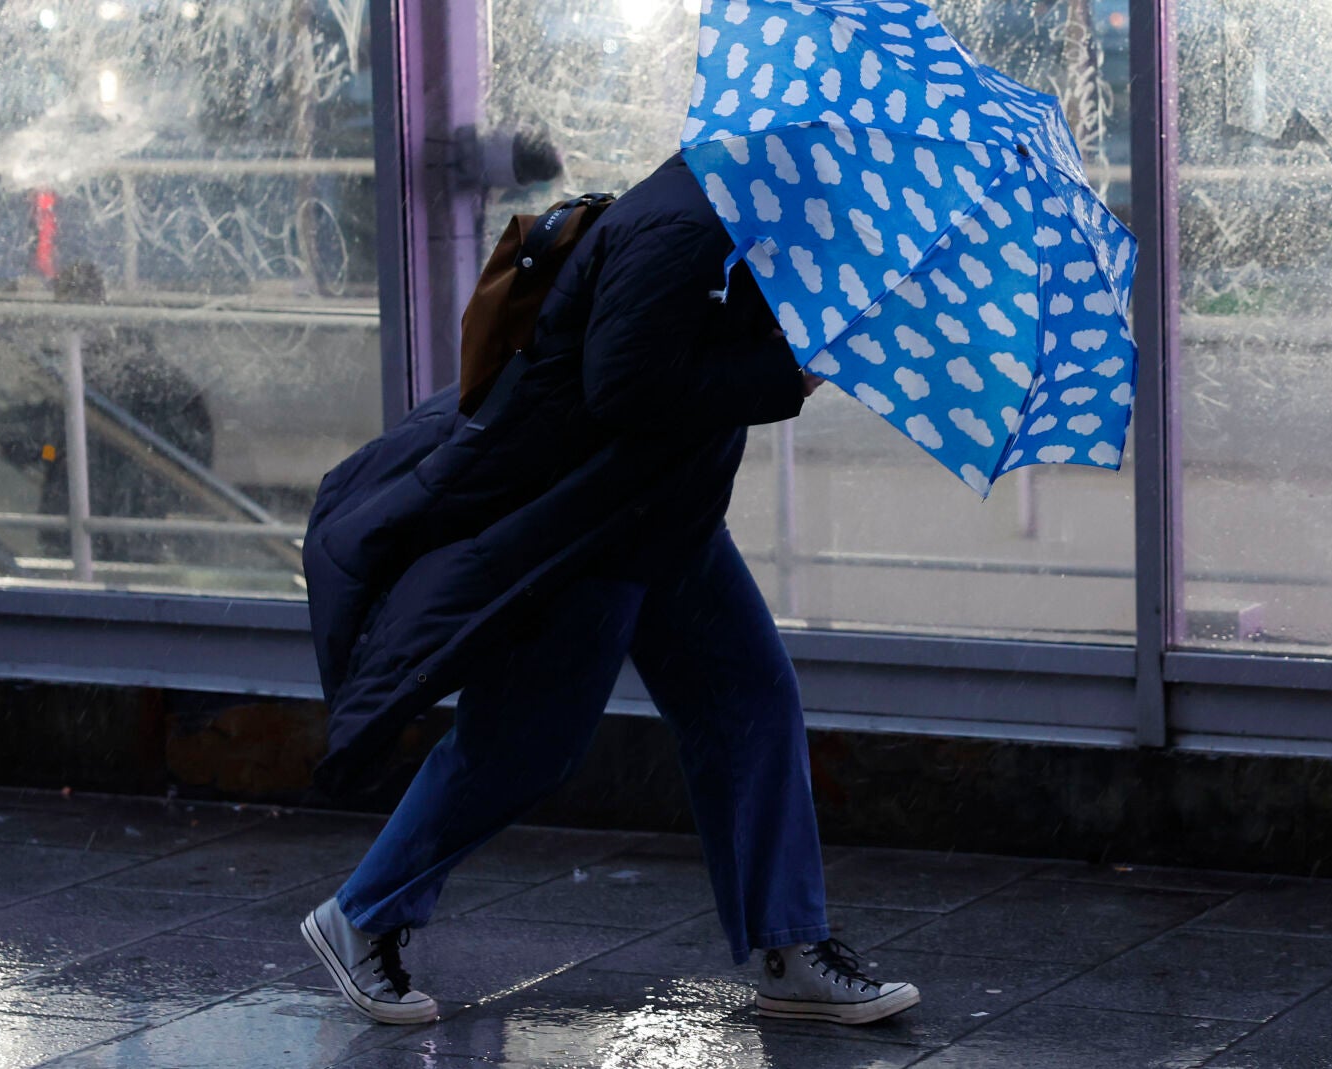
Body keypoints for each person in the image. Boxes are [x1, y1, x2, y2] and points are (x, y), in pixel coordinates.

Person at [298, 152, 920, 1027]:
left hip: (665, 518)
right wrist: (789, 375)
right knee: (522, 745)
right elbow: (622, 384)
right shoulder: (681, 224)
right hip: (590, 527)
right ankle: (360, 913)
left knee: (751, 700)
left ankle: (791, 945)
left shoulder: (744, 222)